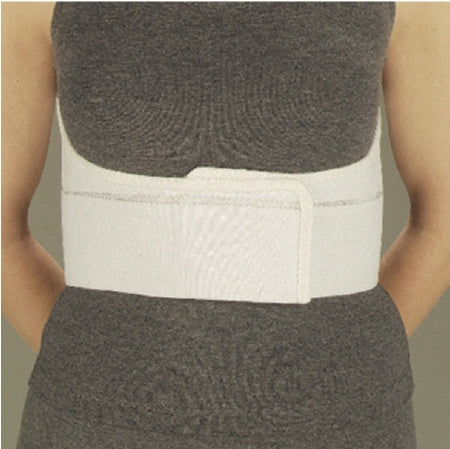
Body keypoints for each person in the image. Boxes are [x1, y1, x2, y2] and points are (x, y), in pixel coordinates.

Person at [2, 2, 449, 448]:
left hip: (345, 424)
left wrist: (351, 356)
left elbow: (441, 221)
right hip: (87, 425)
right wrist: (88, 360)